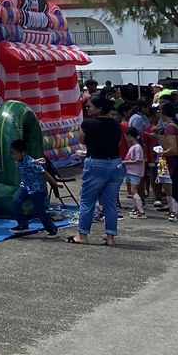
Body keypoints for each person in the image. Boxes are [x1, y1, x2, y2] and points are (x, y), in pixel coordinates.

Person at [69, 99, 125, 246]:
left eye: (90, 106)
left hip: (96, 162)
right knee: (110, 203)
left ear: (99, 108)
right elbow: (118, 142)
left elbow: (81, 139)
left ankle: (82, 235)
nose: (87, 108)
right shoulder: (115, 124)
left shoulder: (88, 123)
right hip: (115, 163)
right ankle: (110, 237)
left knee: (87, 201)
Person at [9, 140, 59, 235]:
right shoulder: (18, 161)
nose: (13, 156)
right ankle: (23, 224)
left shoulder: (31, 163)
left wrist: (54, 183)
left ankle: (51, 229)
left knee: (40, 210)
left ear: (23, 153)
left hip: (37, 189)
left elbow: (44, 173)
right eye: (12, 153)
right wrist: (36, 160)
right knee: (16, 200)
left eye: (15, 153)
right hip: (25, 186)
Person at [123, 127, 147, 217]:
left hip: (135, 172)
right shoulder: (134, 147)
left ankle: (141, 211)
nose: (126, 139)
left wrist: (125, 162)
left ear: (130, 136)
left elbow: (138, 160)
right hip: (131, 171)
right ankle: (136, 208)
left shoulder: (137, 147)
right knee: (133, 191)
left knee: (134, 191)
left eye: (126, 136)